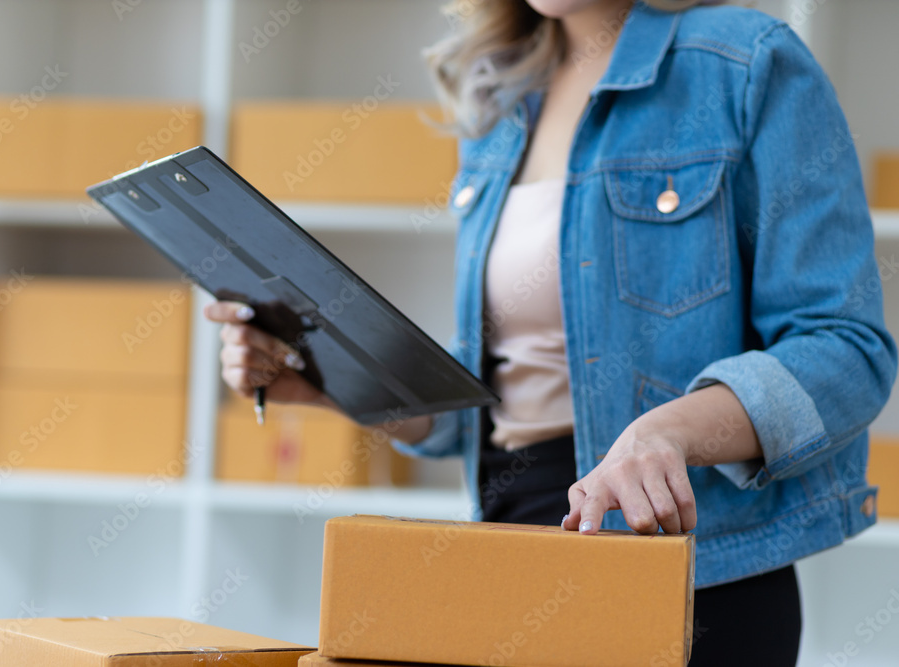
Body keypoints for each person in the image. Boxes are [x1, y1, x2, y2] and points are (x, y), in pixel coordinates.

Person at [205, 0, 897, 664]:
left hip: (688, 567)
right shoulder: (500, 99)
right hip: (512, 546)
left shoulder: (746, 65)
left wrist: (669, 431)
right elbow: (502, 392)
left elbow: (846, 349)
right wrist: (331, 378)